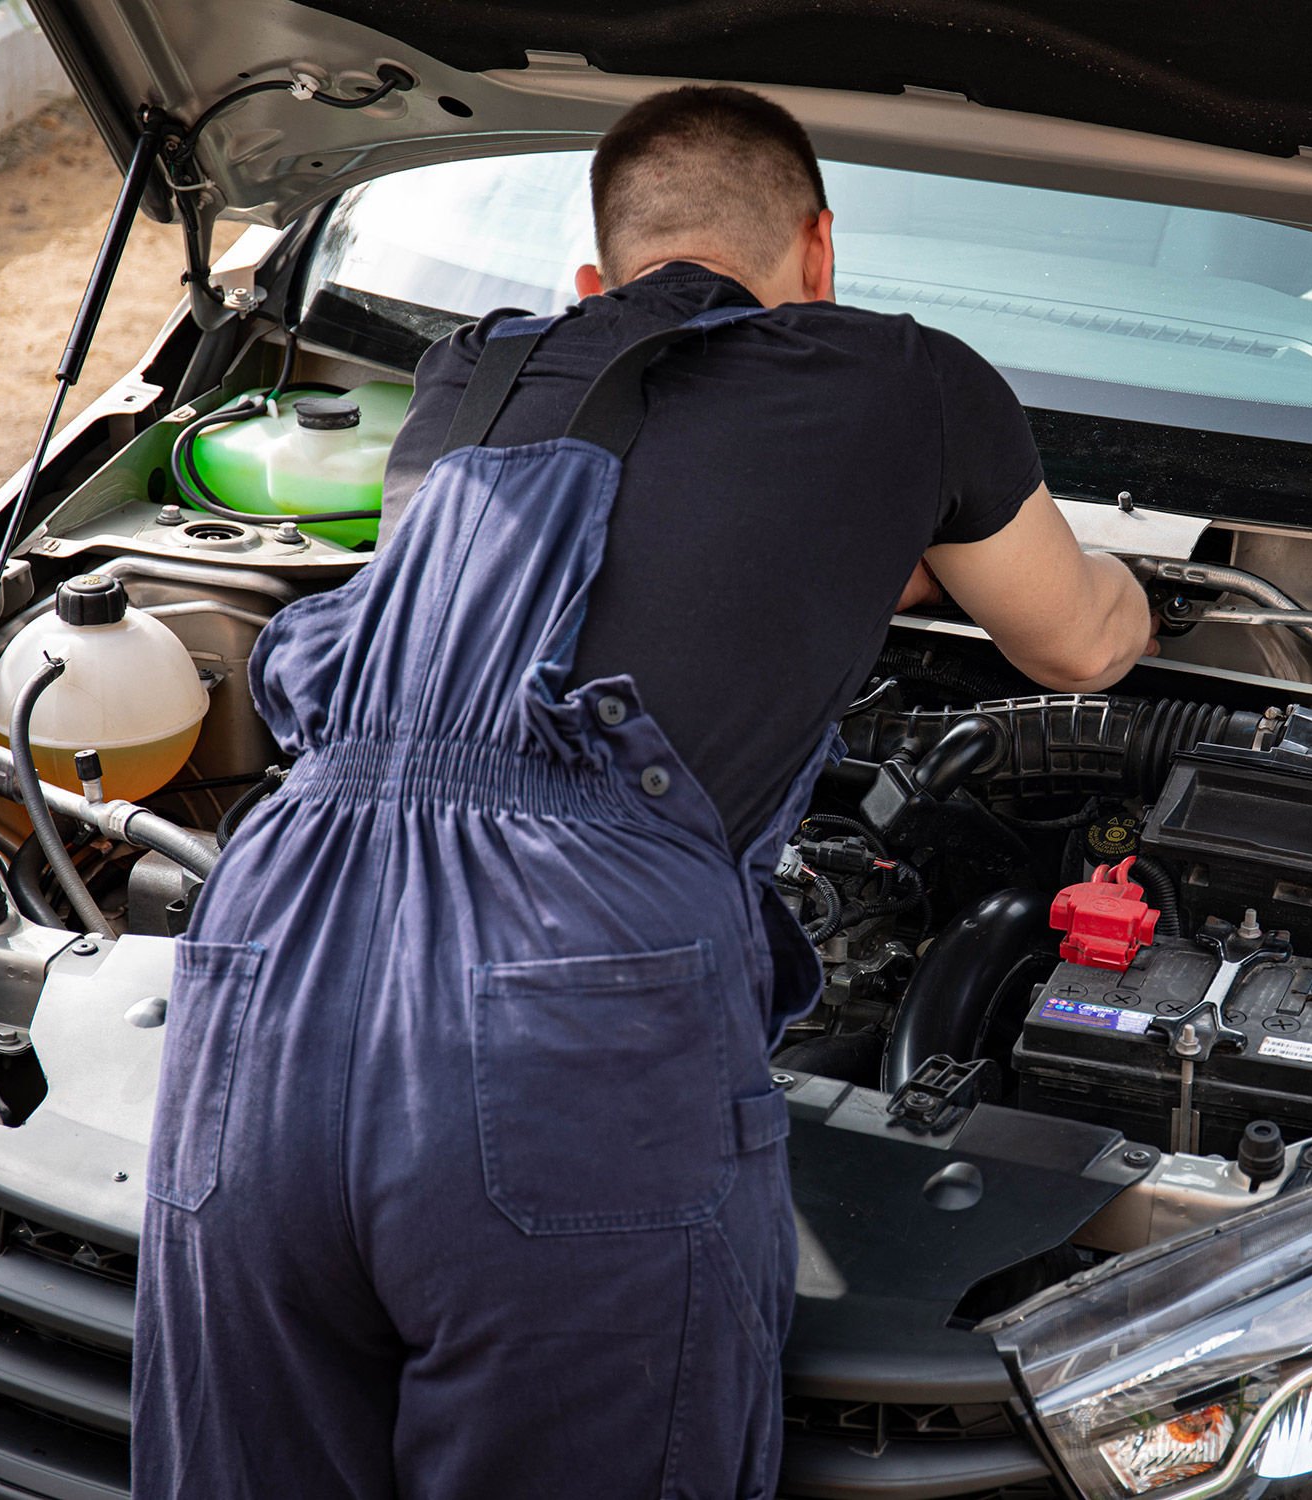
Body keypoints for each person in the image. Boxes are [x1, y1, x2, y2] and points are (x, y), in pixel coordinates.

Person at [132, 84, 1154, 1499]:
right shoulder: (902, 378)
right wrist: (1112, 590)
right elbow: (1076, 642)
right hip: (563, 984)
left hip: (268, 952)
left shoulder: (468, 375)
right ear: (821, 252)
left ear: (591, 288)